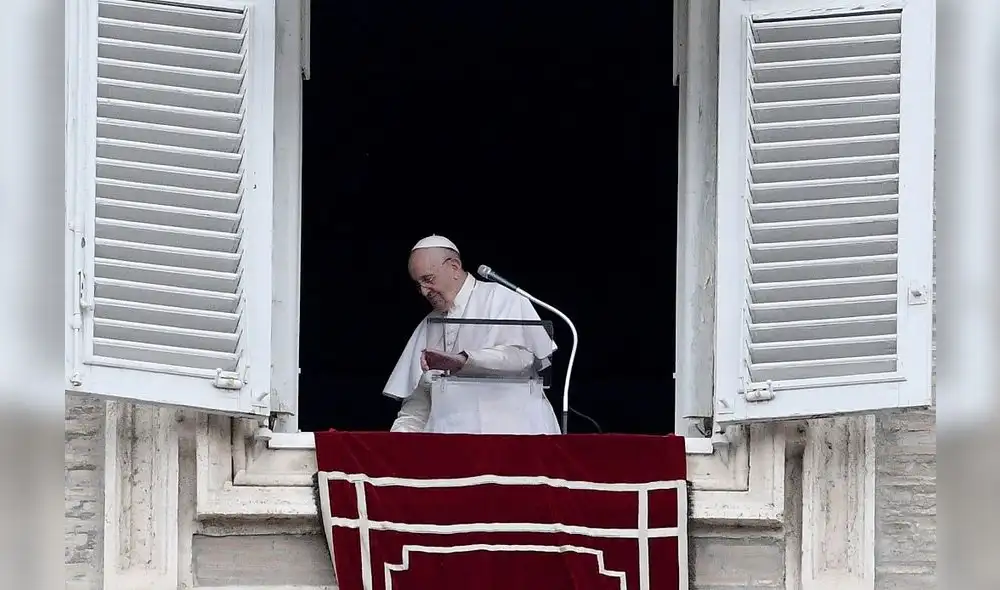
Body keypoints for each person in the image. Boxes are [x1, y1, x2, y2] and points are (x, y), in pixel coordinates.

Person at [382, 235, 561, 434]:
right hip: (449, 442)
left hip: (513, 433)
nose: (424, 291)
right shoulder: (428, 325)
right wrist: (396, 441)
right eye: (418, 284)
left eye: (428, 279)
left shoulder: (502, 298)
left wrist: (463, 360)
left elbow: (523, 358)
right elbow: (418, 405)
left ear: (454, 267)